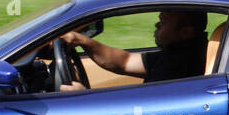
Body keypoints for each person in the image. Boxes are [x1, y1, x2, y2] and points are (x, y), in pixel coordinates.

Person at [58, 9, 208, 88]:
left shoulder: (182, 67)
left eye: (163, 21)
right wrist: (83, 41)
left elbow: (142, 113)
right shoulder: (179, 53)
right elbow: (125, 61)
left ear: (185, 32)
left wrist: (84, 100)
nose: (157, 25)